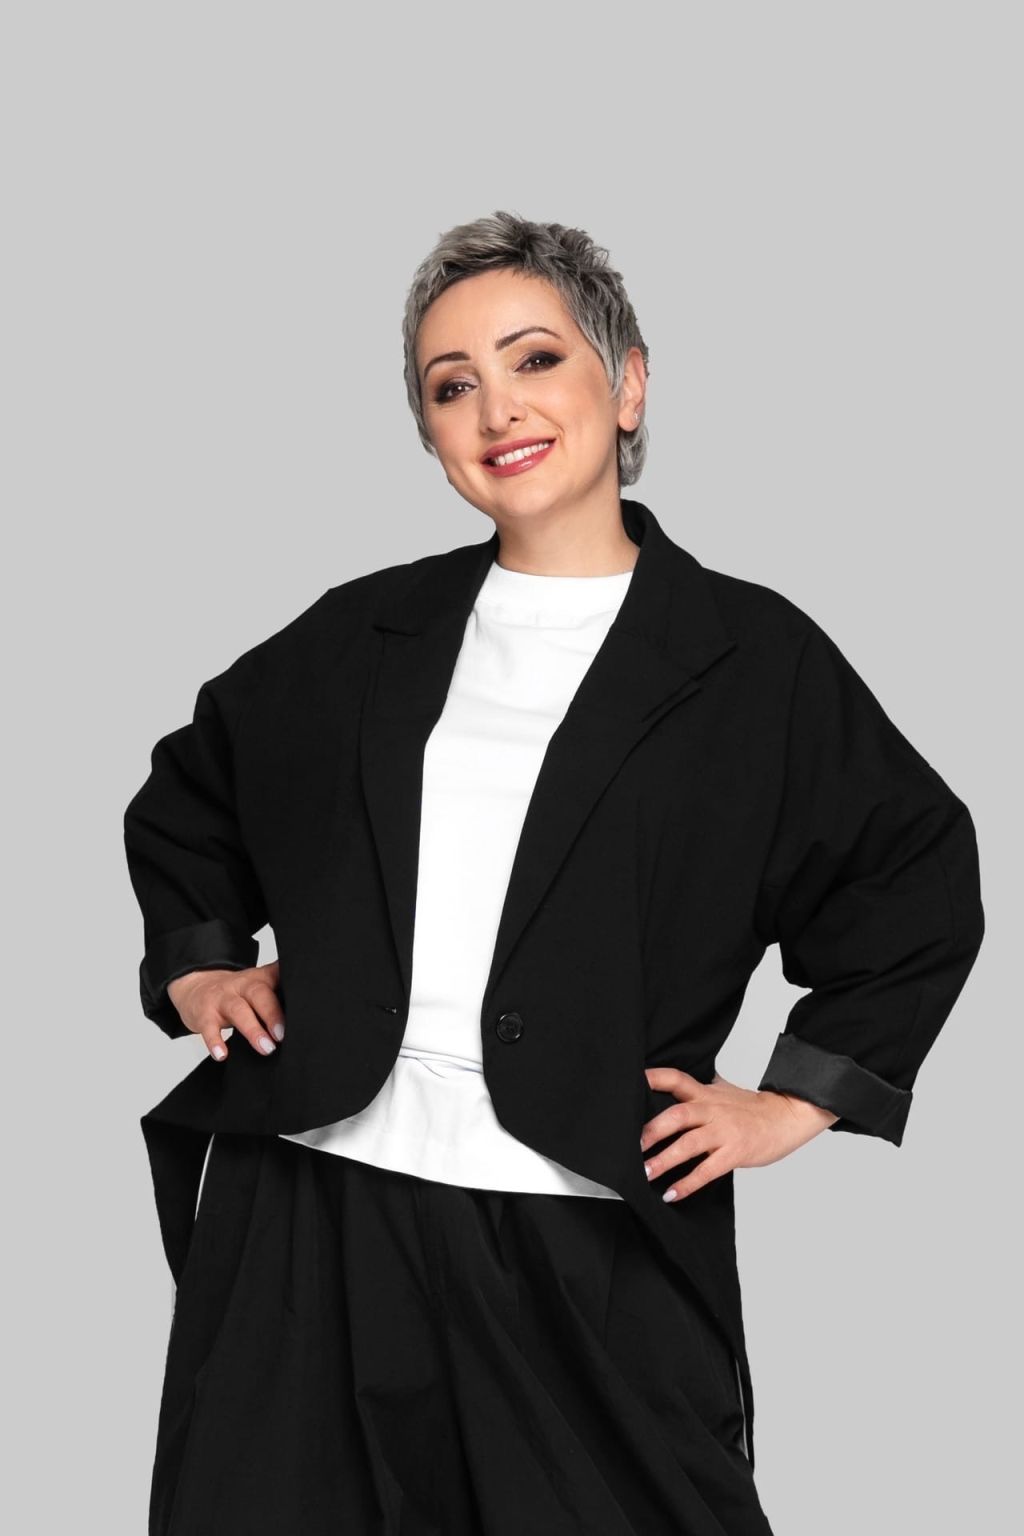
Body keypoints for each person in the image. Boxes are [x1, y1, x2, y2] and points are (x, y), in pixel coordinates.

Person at [124, 211, 985, 1536]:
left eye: (535, 360)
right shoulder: (364, 632)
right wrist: (199, 966)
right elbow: (197, 790)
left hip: (575, 1222)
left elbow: (912, 872)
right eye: (451, 385)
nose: (496, 409)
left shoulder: (752, 660)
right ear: (429, 430)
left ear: (626, 383)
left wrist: (797, 1101)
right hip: (312, 1201)